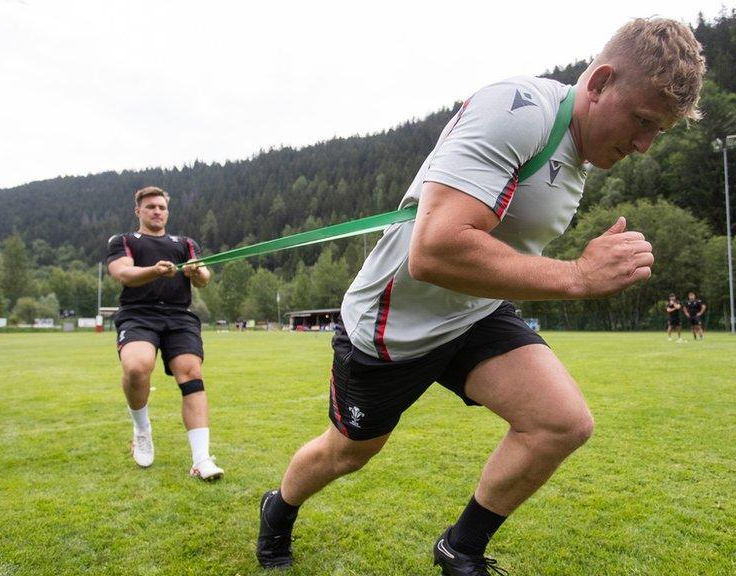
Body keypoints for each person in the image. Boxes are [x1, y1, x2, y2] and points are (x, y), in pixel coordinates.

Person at [256, 17, 704, 573]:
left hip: (474, 314)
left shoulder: (579, 155)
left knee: (562, 422)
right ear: (601, 81)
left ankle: (459, 550)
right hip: (395, 325)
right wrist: (577, 277)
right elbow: (436, 251)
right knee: (348, 452)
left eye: (657, 131)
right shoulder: (517, 112)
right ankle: (279, 509)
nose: (643, 144)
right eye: (641, 121)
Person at [105, 186, 224, 480]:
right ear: (139, 211)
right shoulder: (123, 241)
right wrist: (154, 271)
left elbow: (204, 277)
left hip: (178, 315)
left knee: (191, 373)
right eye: (151, 207)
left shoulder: (184, 243)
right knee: (136, 367)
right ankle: (142, 429)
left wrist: (197, 272)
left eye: (161, 207)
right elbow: (123, 274)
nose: (157, 211)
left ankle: (201, 460)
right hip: (138, 314)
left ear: (167, 211)